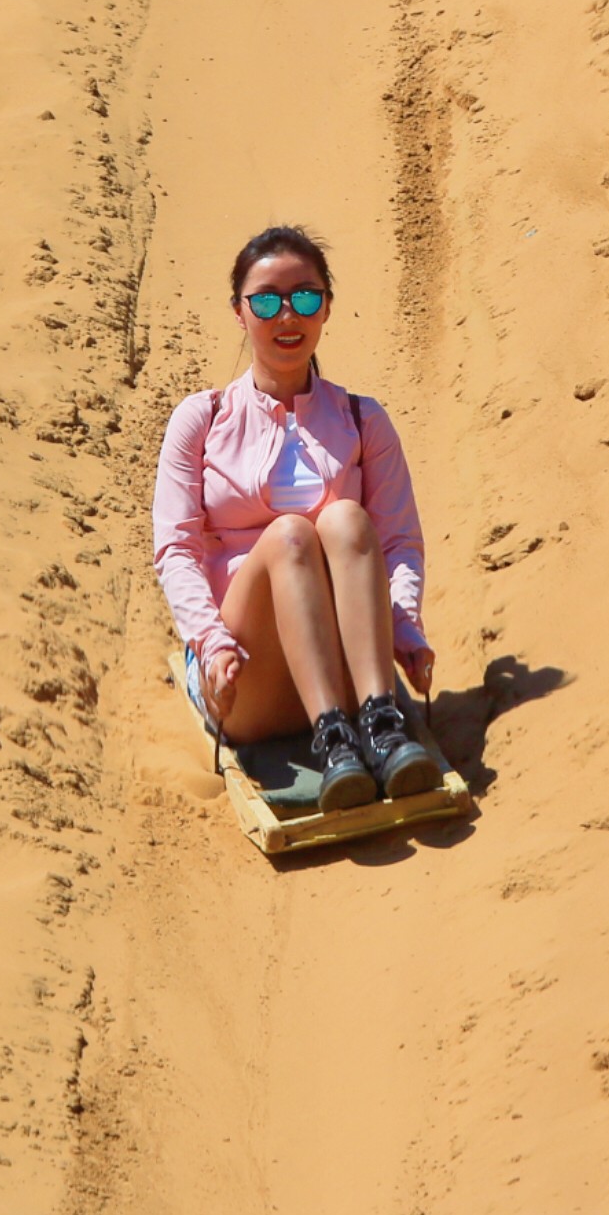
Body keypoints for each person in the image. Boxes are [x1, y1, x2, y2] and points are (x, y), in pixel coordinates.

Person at [152, 225, 444, 811]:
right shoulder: (201, 419)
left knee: (346, 522)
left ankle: (380, 727)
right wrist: (210, 645)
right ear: (240, 312)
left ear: (327, 307)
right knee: (290, 535)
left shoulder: (364, 421)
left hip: (343, 659)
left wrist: (406, 629)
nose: (288, 315)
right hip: (248, 676)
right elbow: (176, 551)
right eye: (266, 300)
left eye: (305, 297)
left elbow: (400, 542)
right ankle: (335, 741)